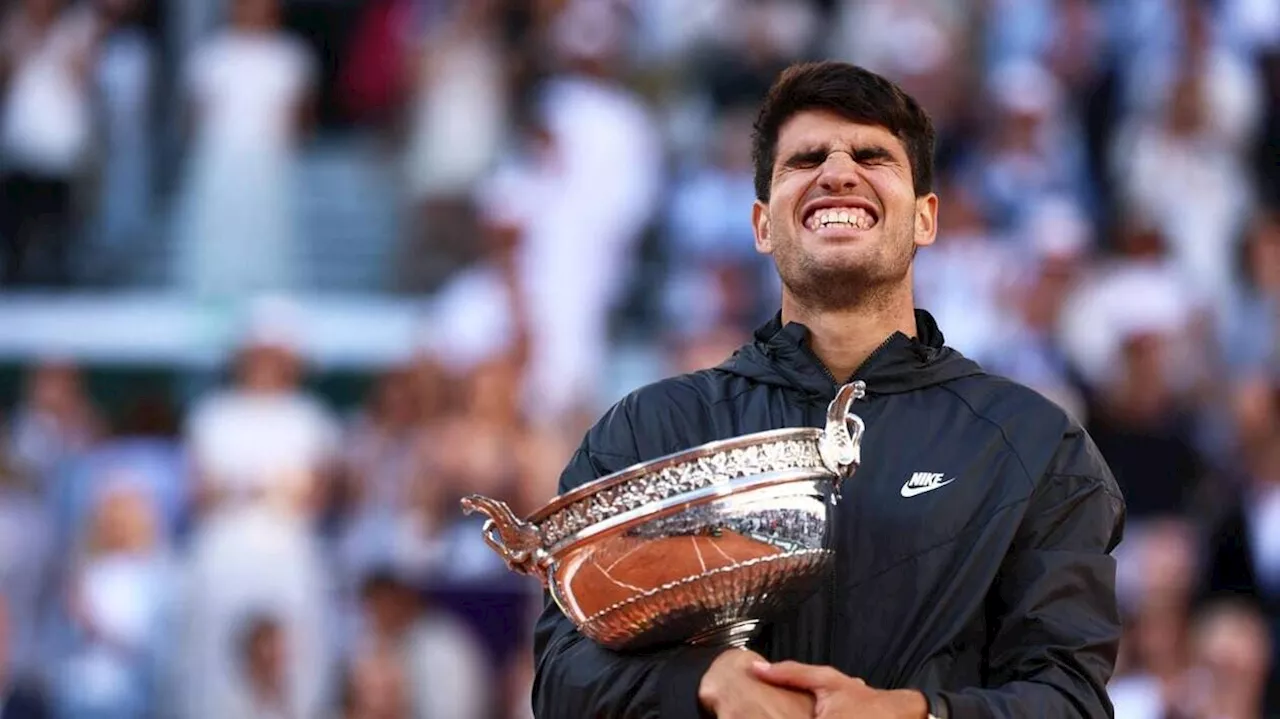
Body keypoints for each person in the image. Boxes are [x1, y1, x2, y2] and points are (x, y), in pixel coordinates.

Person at [531, 61, 1125, 719]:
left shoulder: (1033, 443)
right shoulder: (650, 430)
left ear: (927, 218)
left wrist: (915, 713)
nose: (838, 172)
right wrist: (702, 680)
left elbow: (1070, 697)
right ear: (761, 224)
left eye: (872, 156)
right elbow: (564, 673)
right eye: (806, 158)